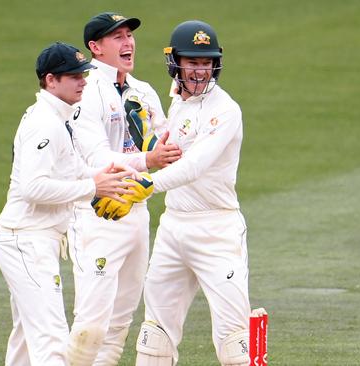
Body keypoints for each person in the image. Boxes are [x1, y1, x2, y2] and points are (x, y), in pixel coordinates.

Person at [0, 42, 136, 366]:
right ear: (51, 80)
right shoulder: (44, 123)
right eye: (73, 76)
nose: (83, 81)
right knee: (52, 342)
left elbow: (71, 171)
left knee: (24, 341)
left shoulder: (60, 117)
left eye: (83, 74)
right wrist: (93, 187)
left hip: (33, 239)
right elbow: (33, 187)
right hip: (27, 240)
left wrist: (103, 178)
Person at [126, 20, 251, 366]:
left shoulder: (226, 110)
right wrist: (149, 147)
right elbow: (170, 152)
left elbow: (195, 165)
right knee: (155, 338)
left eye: (206, 62)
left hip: (217, 232)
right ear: (175, 62)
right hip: (173, 229)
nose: (200, 71)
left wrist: (148, 185)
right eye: (192, 62)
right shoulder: (176, 103)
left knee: (235, 343)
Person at [65, 12, 181, 365]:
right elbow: (99, 157)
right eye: (117, 37)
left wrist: (182, 103)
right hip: (97, 212)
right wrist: (148, 163)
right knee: (92, 322)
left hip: (136, 214)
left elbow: (166, 143)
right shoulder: (88, 91)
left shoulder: (143, 91)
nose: (128, 42)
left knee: (120, 323)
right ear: (95, 47)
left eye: (129, 35)